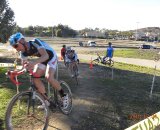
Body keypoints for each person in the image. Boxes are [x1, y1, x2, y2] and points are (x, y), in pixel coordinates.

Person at [8, 32, 69, 109]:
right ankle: (46, 101)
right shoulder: (23, 53)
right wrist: (16, 73)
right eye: (14, 47)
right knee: (35, 77)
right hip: (42, 59)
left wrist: (33, 63)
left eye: (16, 45)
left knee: (49, 77)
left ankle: (64, 95)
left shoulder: (35, 42)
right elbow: (24, 67)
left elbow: (46, 55)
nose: (16, 49)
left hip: (51, 56)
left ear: (22, 41)